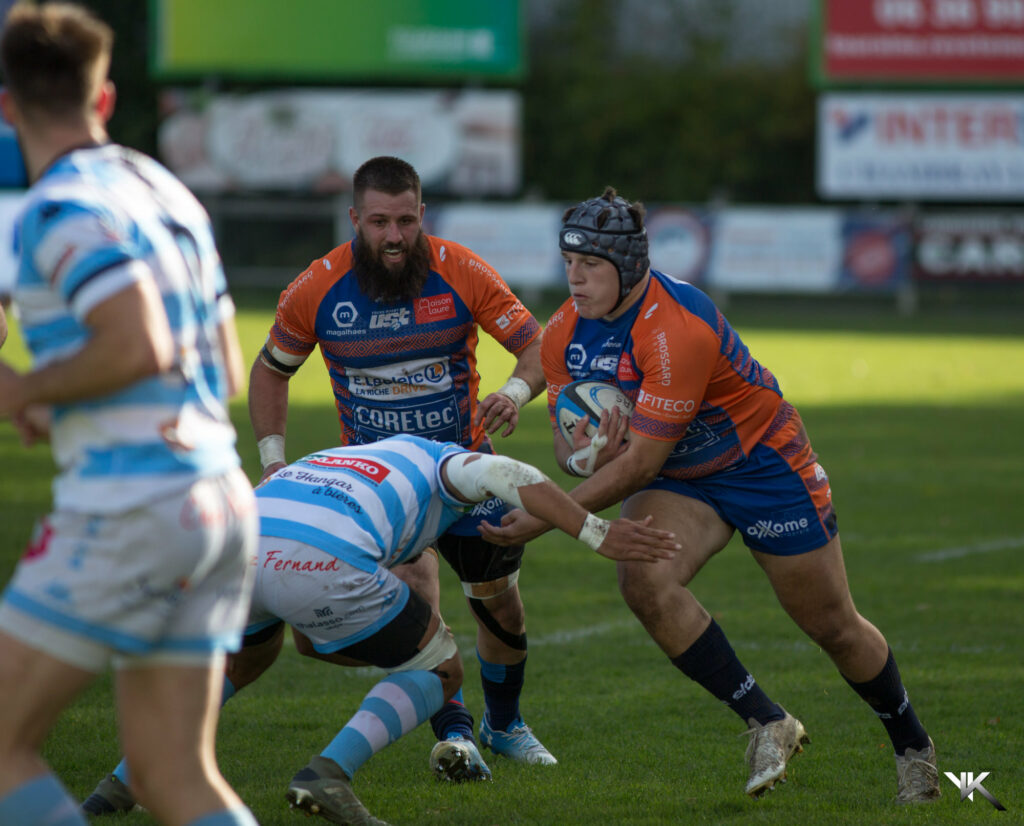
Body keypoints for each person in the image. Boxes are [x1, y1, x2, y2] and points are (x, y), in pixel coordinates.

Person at [481, 187, 941, 804]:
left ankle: (913, 745)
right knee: (643, 578)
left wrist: (542, 518)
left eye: (590, 266)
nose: (575, 280)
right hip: (681, 476)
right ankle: (767, 719)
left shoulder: (676, 328)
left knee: (831, 625)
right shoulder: (565, 330)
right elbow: (572, 450)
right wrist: (591, 450)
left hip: (760, 463)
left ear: (628, 266)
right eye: (568, 264)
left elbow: (641, 464)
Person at [82, 434, 680, 825]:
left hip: (238, 548)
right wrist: (596, 533)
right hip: (320, 559)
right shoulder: (443, 461)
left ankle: (121, 783)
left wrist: (311, 618)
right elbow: (508, 470)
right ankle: (329, 774)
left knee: (243, 661)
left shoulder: (339, 457)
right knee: (442, 668)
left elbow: (312, 643)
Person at [0, 5, 259, 826]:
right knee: (172, 776)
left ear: (7, 108)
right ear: (104, 99)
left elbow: (136, 344)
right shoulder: (162, 187)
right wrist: (58, 388)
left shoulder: (56, 209)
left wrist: (22, 391)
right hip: (219, 498)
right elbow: (217, 365)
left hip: (131, 507)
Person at [248, 155, 555, 775]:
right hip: (377, 484)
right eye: (380, 222)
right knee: (415, 594)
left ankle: (505, 723)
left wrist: (517, 392)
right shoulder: (318, 287)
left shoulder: (460, 270)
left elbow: (538, 344)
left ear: (423, 216)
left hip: (466, 471)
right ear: (355, 218)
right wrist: (273, 461)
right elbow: (270, 370)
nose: (394, 237)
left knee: (500, 604)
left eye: (407, 221)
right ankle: (458, 735)